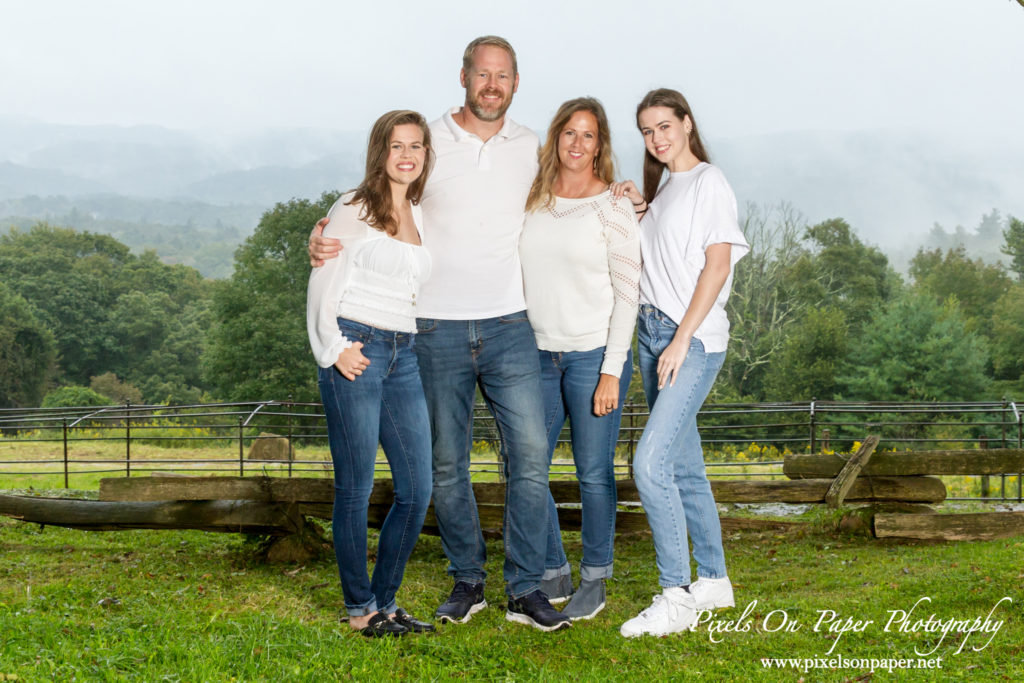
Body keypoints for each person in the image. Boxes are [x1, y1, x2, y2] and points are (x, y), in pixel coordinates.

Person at [309, 36, 570, 632]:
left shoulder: (529, 145)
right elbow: (362, 213)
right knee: (445, 467)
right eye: (482, 74)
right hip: (430, 328)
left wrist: (627, 200)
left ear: (516, 82)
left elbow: (576, 185)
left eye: (502, 75)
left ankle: (525, 588)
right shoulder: (426, 139)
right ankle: (467, 580)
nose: (492, 84)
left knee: (528, 458)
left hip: (510, 323)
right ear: (463, 76)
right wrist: (319, 239)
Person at [611, 89, 750, 638]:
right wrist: (638, 206)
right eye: (647, 131)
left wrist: (681, 339)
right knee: (685, 466)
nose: (657, 138)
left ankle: (675, 595)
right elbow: (661, 257)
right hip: (652, 332)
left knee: (649, 464)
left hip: (687, 340)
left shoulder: (709, 182)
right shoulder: (668, 187)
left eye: (665, 125)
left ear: (687, 123)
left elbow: (716, 266)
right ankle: (714, 581)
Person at [307, 109, 436, 637]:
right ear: (380, 152)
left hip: (405, 352)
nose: (407, 156)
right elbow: (322, 279)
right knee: (356, 488)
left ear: (426, 155)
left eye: (417, 146)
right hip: (356, 345)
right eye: (397, 146)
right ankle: (361, 610)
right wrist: (334, 348)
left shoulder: (420, 213)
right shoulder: (354, 207)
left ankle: (386, 600)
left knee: (416, 487)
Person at [519, 97, 640, 621]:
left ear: (600, 145)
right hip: (537, 355)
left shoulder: (612, 206)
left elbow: (628, 293)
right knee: (525, 466)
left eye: (588, 135)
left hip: (594, 356)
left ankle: (595, 578)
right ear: (556, 139)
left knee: (593, 474)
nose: (576, 143)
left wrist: (612, 369)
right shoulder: (532, 200)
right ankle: (553, 567)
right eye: (569, 132)